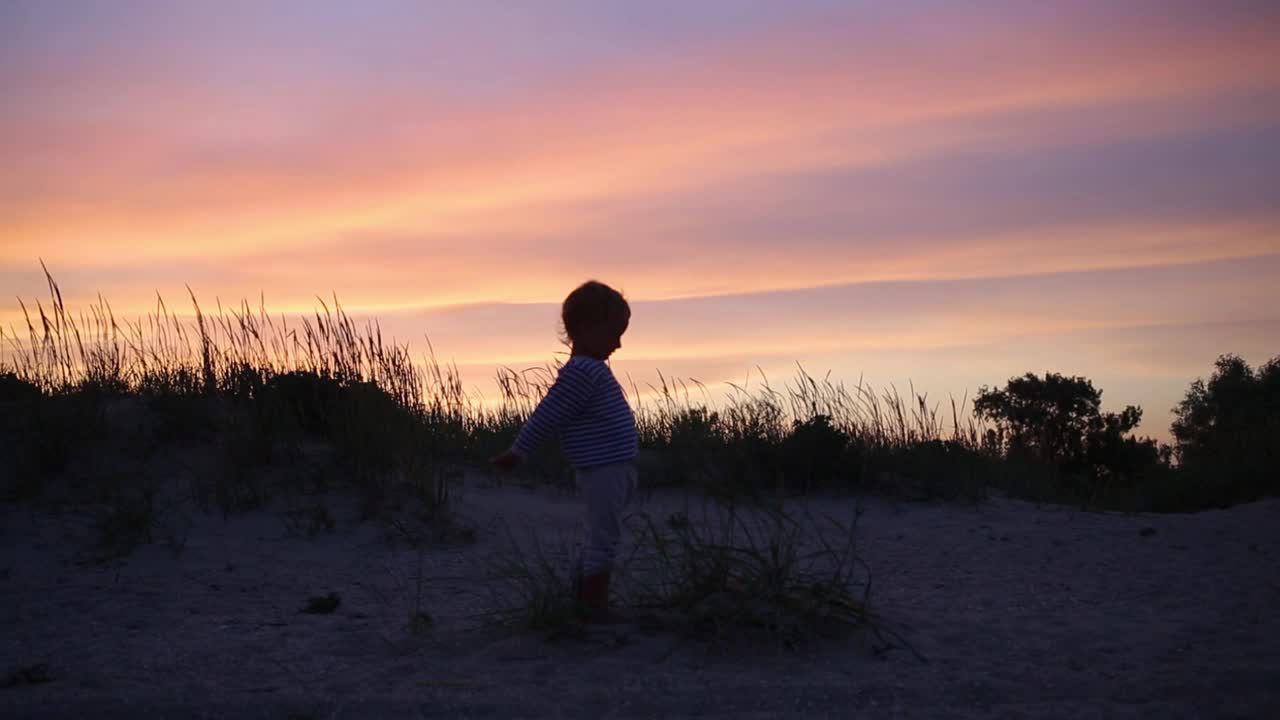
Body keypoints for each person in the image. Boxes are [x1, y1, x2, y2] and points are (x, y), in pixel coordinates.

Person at [490, 280, 639, 623]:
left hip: (611, 469)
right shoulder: (583, 372)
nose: (618, 344)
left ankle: (584, 603)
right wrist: (518, 452)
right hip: (603, 470)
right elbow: (549, 415)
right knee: (603, 539)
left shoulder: (589, 371)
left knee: (600, 536)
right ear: (585, 329)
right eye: (614, 333)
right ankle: (591, 610)